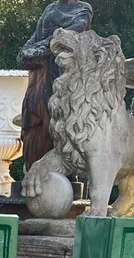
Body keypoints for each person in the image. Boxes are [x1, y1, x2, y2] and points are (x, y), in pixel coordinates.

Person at [18, 0, 93, 167]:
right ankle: (33, 169)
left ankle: (59, 173)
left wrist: (37, 49)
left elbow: (68, 37)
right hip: (38, 76)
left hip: (61, 74)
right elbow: (30, 44)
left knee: (58, 120)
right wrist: (26, 52)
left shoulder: (83, 9)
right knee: (34, 120)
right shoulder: (50, 9)